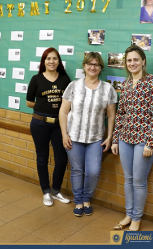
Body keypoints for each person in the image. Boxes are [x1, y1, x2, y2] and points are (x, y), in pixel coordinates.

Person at [111, 44, 153, 231]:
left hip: (144, 141)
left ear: (143, 61)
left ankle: (136, 219)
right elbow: (121, 114)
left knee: (139, 181)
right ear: (125, 64)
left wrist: (151, 142)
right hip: (125, 138)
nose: (132, 63)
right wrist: (116, 139)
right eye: (129, 60)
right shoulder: (124, 84)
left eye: (135, 59)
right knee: (128, 179)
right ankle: (128, 213)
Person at [59, 52, 117, 217]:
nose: (93, 67)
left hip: (95, 139)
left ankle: (86, 198)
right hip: (74, 137)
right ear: (84, 66)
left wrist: (109, 137)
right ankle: (78, 201)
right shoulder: (73, 86)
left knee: (93, 171)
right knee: (77, 170)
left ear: (100, 68)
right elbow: (63, 112)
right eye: (89, 64)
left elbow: (111, 115)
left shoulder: (108, 89)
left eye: (96, 64)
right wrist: (64, 134)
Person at [26, 47, 72, 206]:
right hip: (39, 123)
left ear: (59, 62)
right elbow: (28, 102)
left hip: (59, 124)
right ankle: (46, 191)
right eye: (48, 58)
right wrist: (43, 104)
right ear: (43, 61)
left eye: (54, 58)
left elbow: (69, 103)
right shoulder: (36, 79)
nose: (51, 61)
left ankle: (56, 190)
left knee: (62, 157)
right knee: (42, 157)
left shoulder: (65, 79)